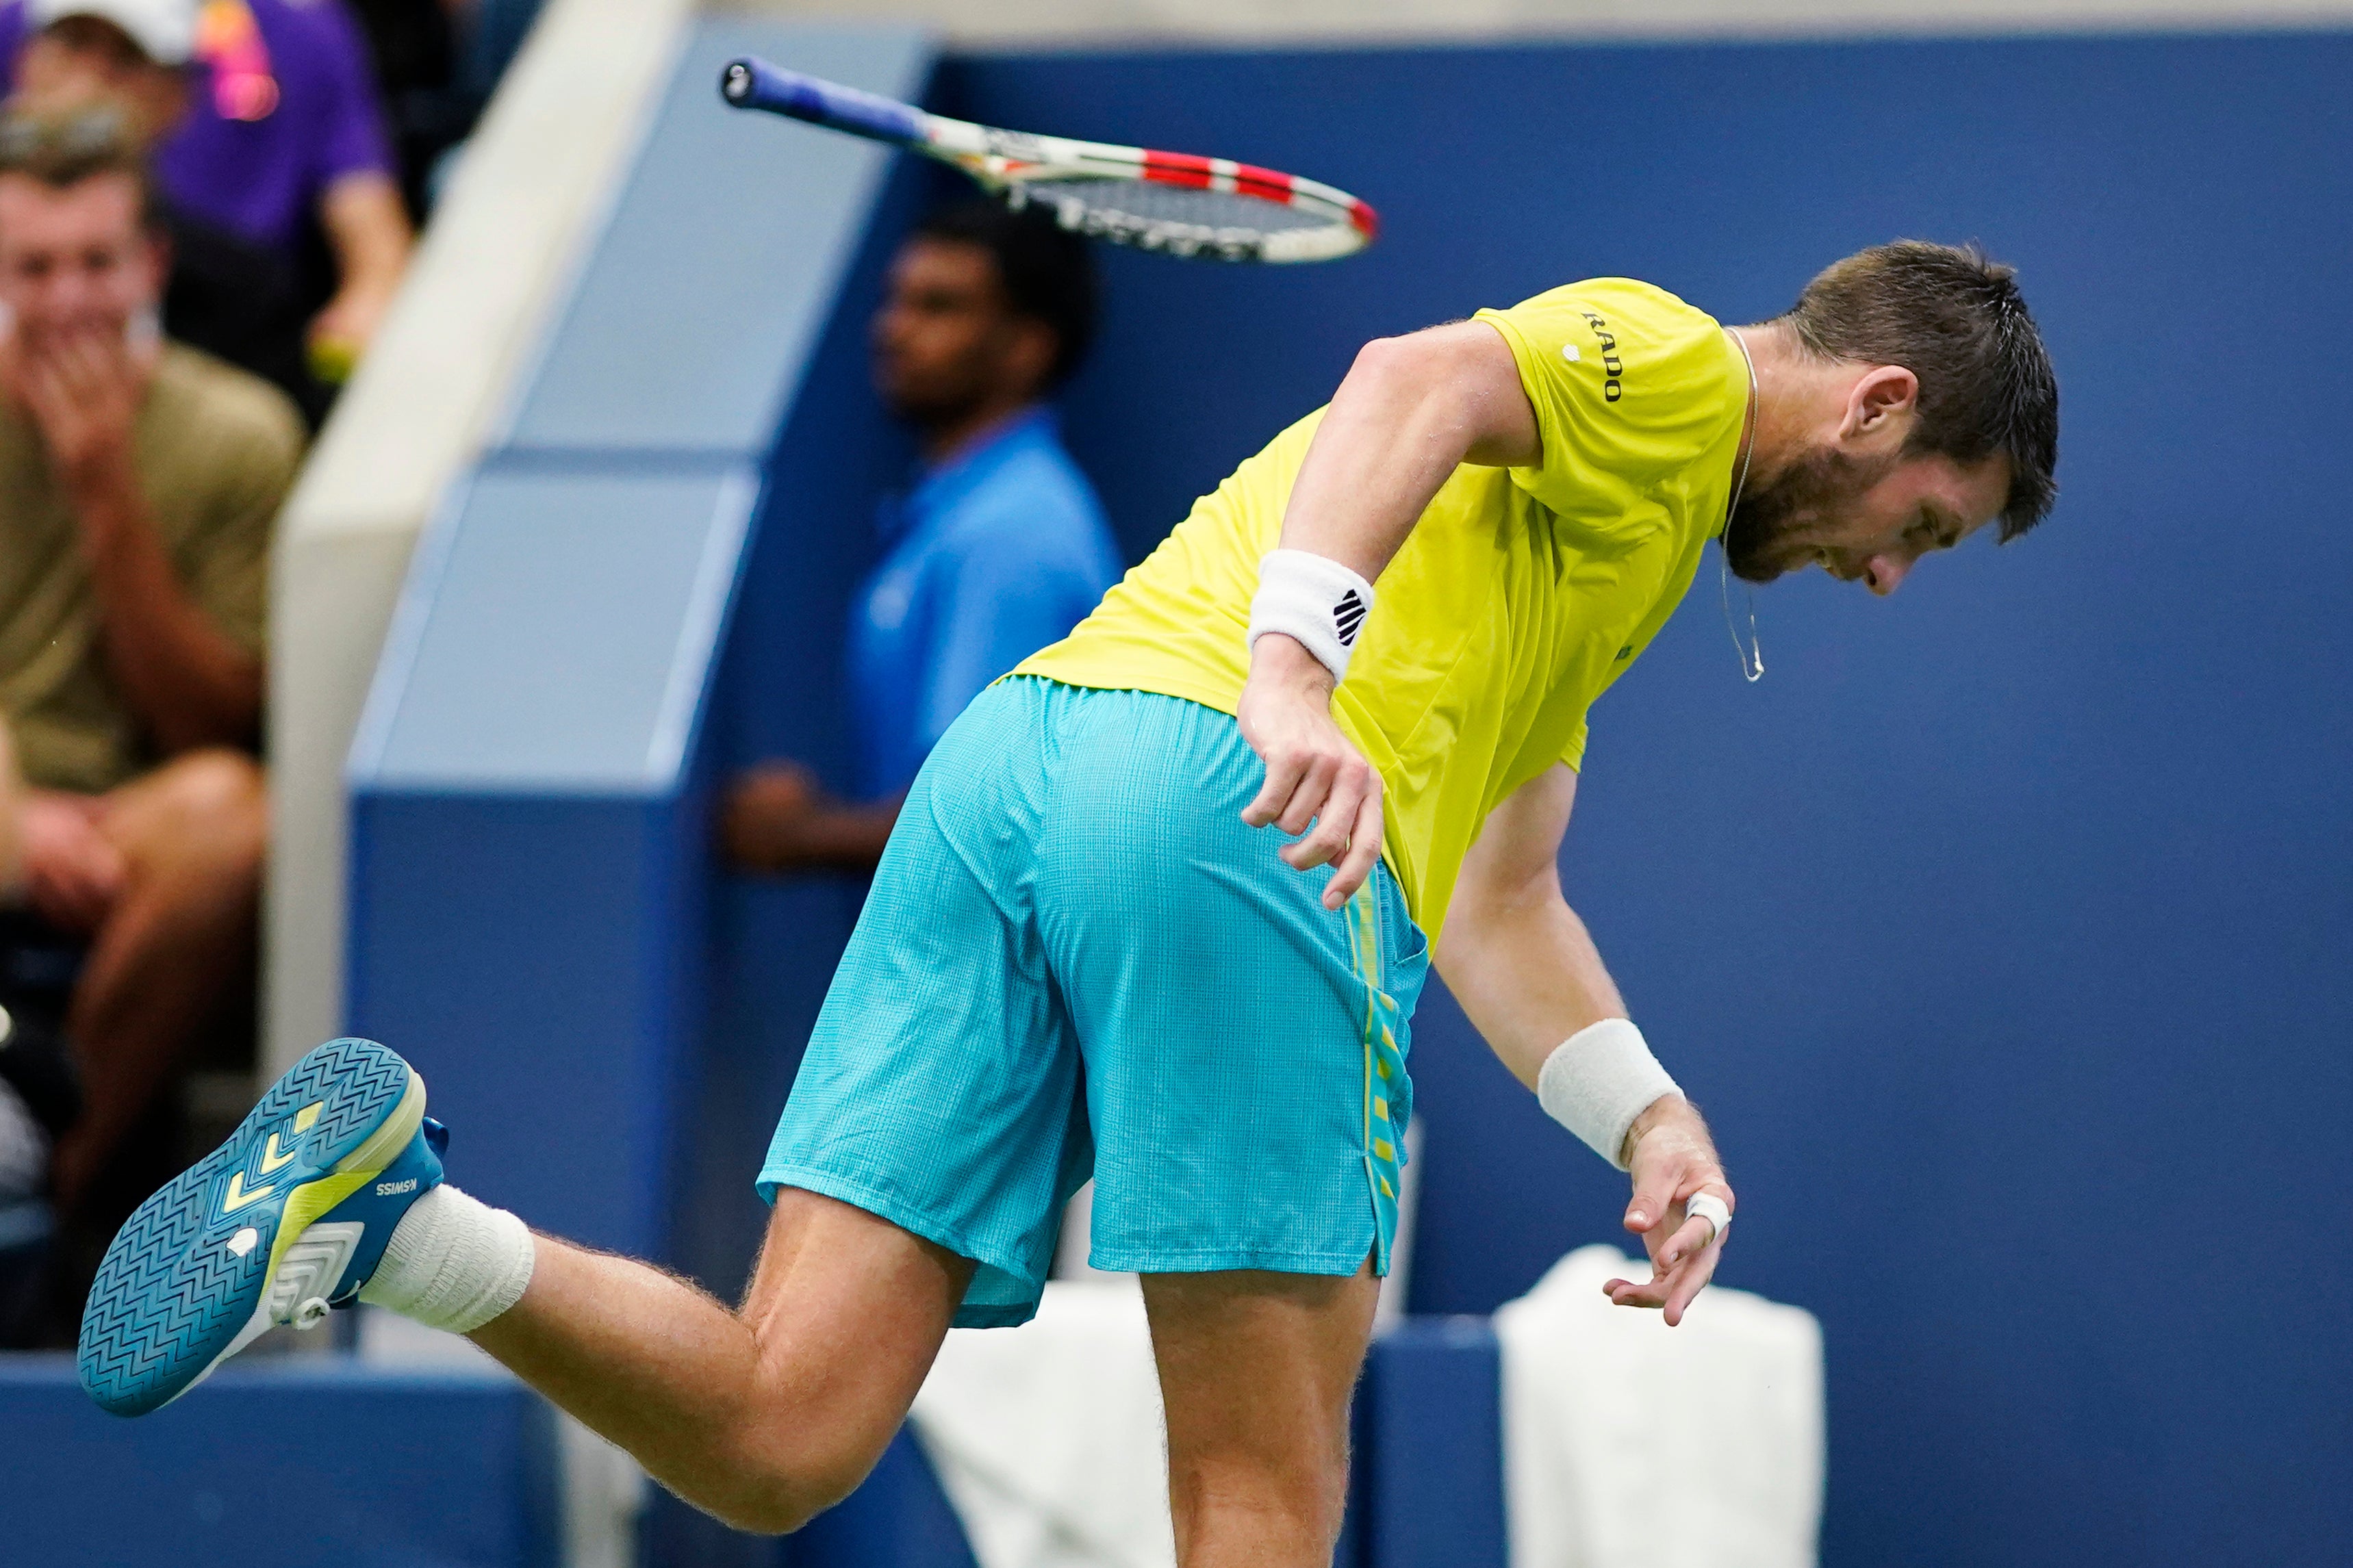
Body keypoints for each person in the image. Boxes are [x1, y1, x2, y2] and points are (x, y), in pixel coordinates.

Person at [80, 243, 2059, 1568]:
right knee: (1259, 1480)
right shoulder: (1660, 368)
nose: (1891, 575)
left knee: (784, 1435)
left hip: (1019, 772)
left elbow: (1502, 893)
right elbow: (1410, 378)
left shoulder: (1603, 560)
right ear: (1877, 406)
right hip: (1231, 796)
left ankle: (393, 1225)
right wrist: (1294, 672)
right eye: (1924, 530)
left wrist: (1640, 1112)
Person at [0, 120, 294, 1326]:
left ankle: (51, 1201)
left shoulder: (238, 434)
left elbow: (215, 718)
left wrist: (107, 492)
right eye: (32, 268)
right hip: (13, 798)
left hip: (128, 827)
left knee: (234, 815)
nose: (69, 298)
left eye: (97, 262)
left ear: (152, 268)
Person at [722, 201, 1119, 875]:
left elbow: (981, 823)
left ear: (1028, 345)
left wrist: (799, 833)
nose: (892, 329)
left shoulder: (1012, 536)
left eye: (938, 307)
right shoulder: (973, 511)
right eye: (895, 300)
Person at [0, 0, 414, 385]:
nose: (87, 85)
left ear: (177, 92)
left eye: (123, 60)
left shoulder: (240, 289)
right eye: (71, 47)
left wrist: (363, 310)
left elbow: (374, 241)